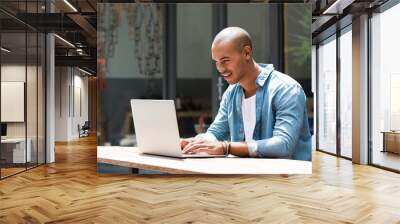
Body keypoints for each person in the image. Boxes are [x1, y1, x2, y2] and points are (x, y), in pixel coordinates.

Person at [181, 27, 311, 161]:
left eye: (225, 60)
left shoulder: (286, 89)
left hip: (288, 179)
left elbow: (283, 145)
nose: (220, 68)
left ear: (247, 53)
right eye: (216, 62)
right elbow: (215, 132)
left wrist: (227, 147)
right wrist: (194, 143)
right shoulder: (231, 94)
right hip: (249, 177)